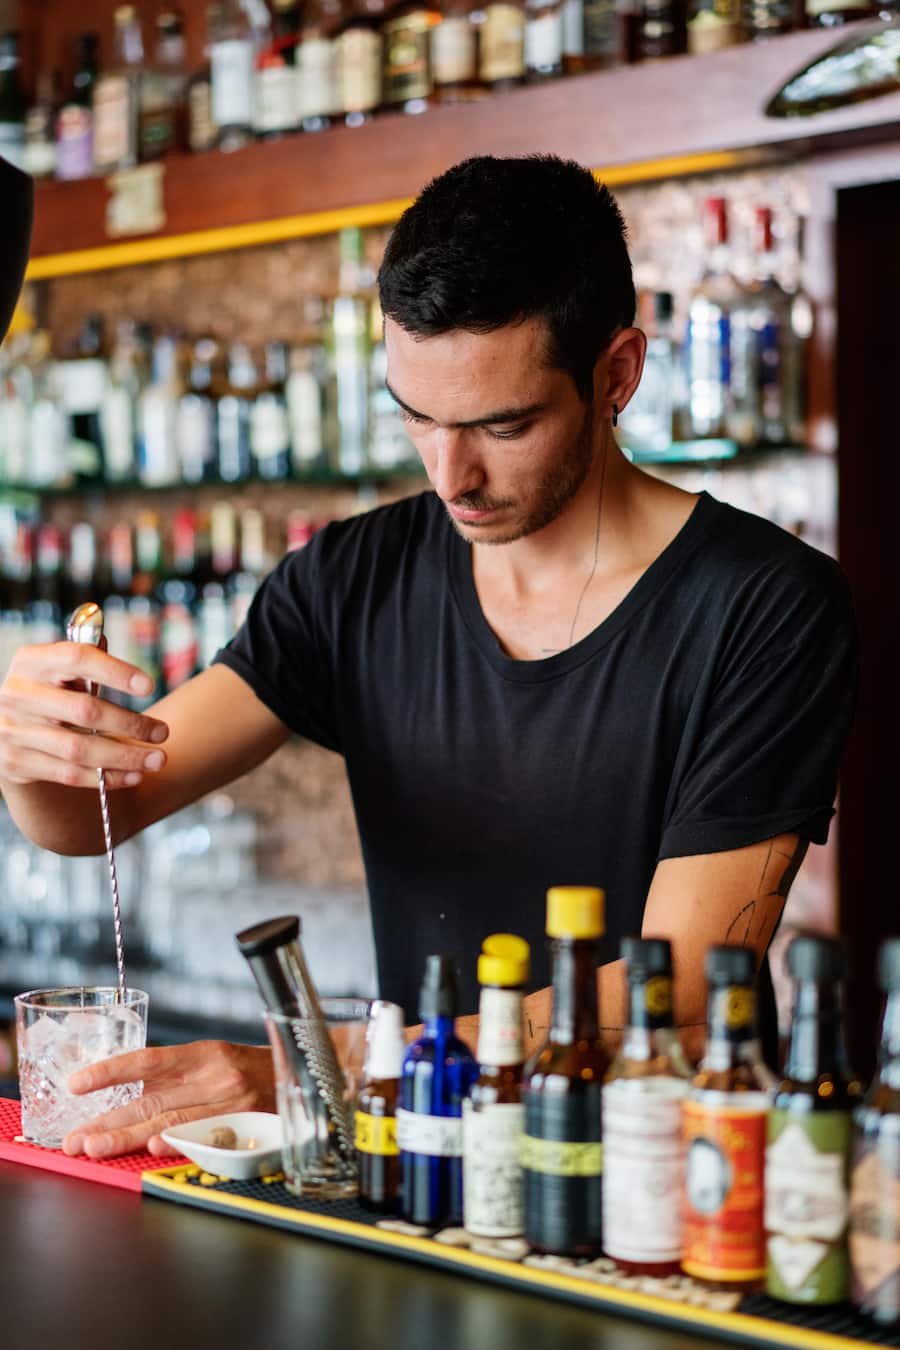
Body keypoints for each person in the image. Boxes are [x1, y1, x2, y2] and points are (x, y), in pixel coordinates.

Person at [0, 156, 857, 1160]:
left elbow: (688, 990)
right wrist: (31, 750)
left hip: (660, 1180)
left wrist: (312, 1065)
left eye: (505, 425)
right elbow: (94, 814)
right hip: (416, 1172)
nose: (452, 475)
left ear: (617, 375)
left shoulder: (765, 605)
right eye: (417, 416)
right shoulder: (351, 577)